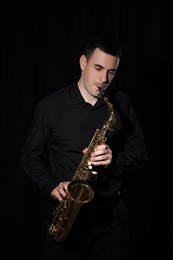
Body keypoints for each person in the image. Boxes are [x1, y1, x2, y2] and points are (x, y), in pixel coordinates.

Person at [21, 33, 148, 260]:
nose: (104, 79)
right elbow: (29, 157)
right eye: (98, 68)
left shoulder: (122, 103)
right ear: (83, 62)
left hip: (112, 217)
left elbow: (141, 155)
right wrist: (51, 185)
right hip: (69, 215)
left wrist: (115, 158)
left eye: (112, 72)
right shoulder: (50, 107)